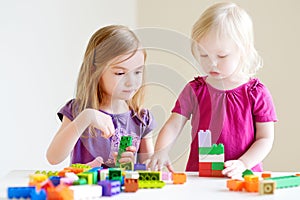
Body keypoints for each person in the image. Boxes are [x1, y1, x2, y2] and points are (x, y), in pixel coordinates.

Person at [148, 2, 277, 178]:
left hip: (243, 176)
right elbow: (174, 124)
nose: (212, 63)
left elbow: (265, 138)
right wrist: (161, 151)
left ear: (244, 51)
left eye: (222, 56)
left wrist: (243, 163)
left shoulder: (256, 93)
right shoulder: (195, 89)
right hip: (200, 177)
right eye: (204, 55)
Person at [46, 25, 155, 168]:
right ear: (95, 71)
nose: (131, 82)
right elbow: (53, 157)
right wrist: (86, 117)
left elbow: (150, 168)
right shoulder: (77, 110)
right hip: (85, 190)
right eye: (120, 73)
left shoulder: (141, 118)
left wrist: (134, 165)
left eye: (137, 72)